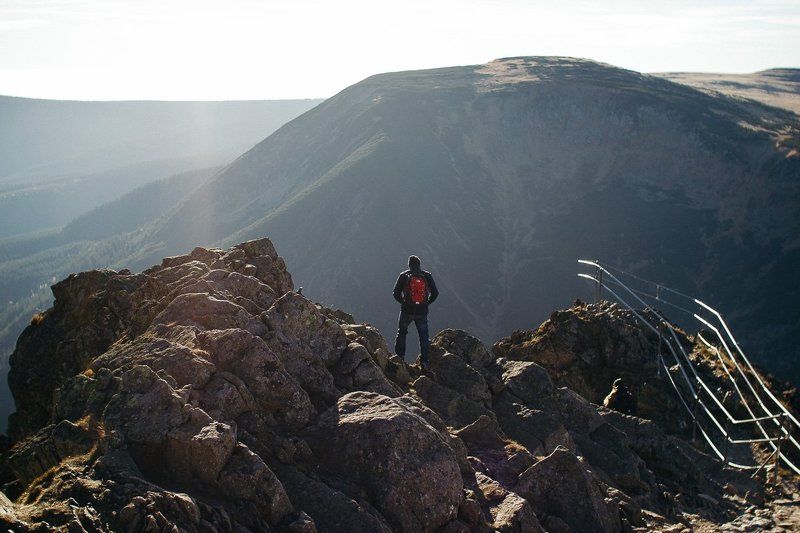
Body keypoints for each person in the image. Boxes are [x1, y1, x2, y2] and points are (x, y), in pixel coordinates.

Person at [393, 255, 439, 369]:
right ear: (419, 264)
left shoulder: (404, 276)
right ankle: (424, 362)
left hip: (406, 311)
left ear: (409, 265)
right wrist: (426, 303)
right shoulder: (427, 276)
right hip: (422, 312)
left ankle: (400, 358)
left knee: (402, 332)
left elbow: (395, 293)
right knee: (423, 336)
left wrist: (404, 302)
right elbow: (435, 293)